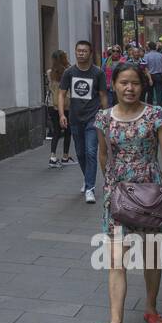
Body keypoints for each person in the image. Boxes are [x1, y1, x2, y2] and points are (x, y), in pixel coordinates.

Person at [90, 62, 162, 323]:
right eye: (123, 83)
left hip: (151, 189)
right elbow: (103, 153)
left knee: (152, 255)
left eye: (135, 83)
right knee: (117, 258)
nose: (129, 88)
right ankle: (115, 322)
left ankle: (151, 307)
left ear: (143, 86)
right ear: (114, 85)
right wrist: (109, 184)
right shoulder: (104, 117)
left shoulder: (155, 114)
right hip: (118, 192)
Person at [58, 40, 107, 203]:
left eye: (84, 51)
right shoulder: (69, 72)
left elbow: (103, 95)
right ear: (75, 52)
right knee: (80, 153)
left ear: (90, 53)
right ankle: (87, 179)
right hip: (74, 118)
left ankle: (90, 188)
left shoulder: (98, 73)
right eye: (78, 51)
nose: (81, 53)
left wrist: (106, 115)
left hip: (93, 118)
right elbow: (61, 94)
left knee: (91, 151)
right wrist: (61, 115)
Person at [44, 50, 74, 167]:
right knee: (67, 131)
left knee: (56, 131)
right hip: (66, 104)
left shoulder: (49, 72)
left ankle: (53, 157)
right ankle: (65, 157)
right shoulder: (68, 71)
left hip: (52, 104)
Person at [142, 41, 162, 106]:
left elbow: (144, 67)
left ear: (149, 47)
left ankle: (150, 108)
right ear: (155, 47)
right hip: (159, 75)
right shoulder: (161, 55)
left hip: (150, 75)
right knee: (159, 93)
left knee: (150, 93)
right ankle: (160, 108)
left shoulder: (146, 56)